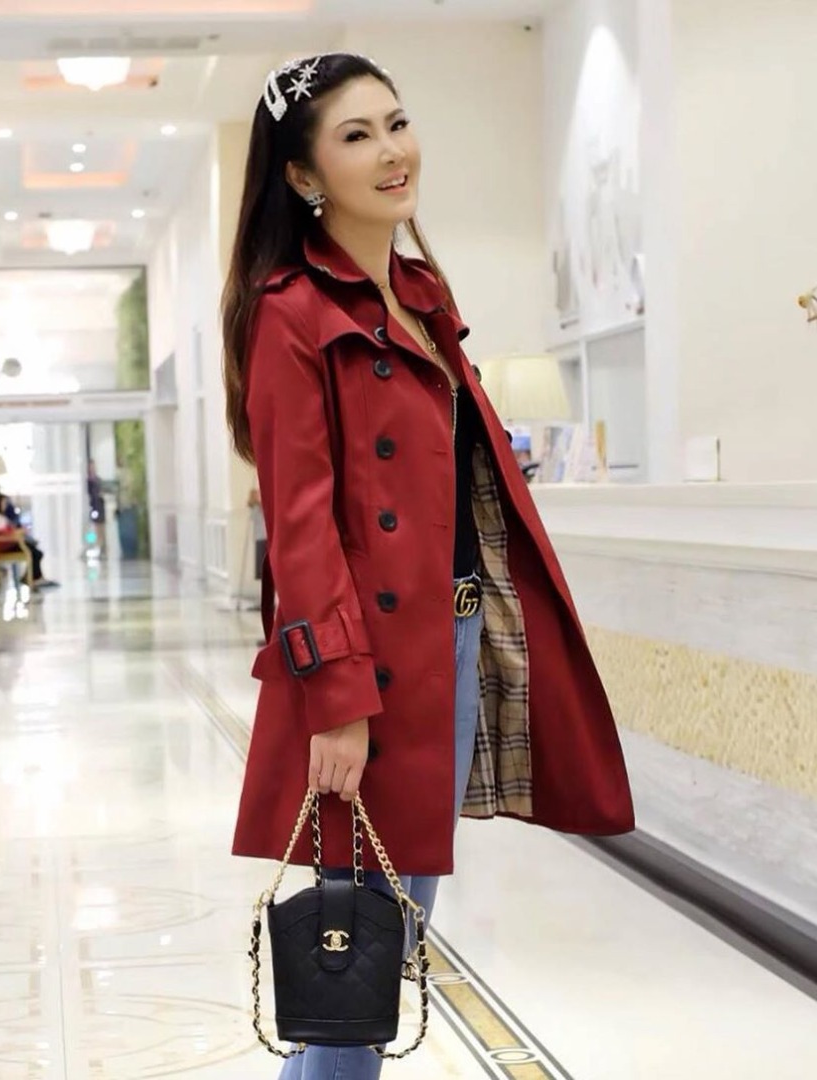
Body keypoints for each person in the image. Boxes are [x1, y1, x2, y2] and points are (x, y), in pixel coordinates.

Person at [222, 54, 634, 1078]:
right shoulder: (290, 312)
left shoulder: (417, 293)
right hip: (372, 663)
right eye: (356, 136)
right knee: (361, 951)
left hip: (450, 634)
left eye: (396, 123)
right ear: (303, 176)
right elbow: (301, 526)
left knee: (380, 940)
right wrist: (337, 699)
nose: (392, 151)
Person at [0, 493, 58, 590]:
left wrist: (19, 532)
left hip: (10, 543)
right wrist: (19, 532)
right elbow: (5, 534)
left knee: (35, 551)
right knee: (35, 553)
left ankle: (32, 577)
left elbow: (7, 531)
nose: (5, 505)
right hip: (7, 546)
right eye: (3, 503)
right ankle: (34, 578)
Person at [86, 459, 107, 556]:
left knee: (101, 527)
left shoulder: (98, 480)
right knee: (94, 527)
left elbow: (101, 491)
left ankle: (102, 547)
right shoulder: (88, 481)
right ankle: (95, 546)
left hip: (99, 506)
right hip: (93, 507)